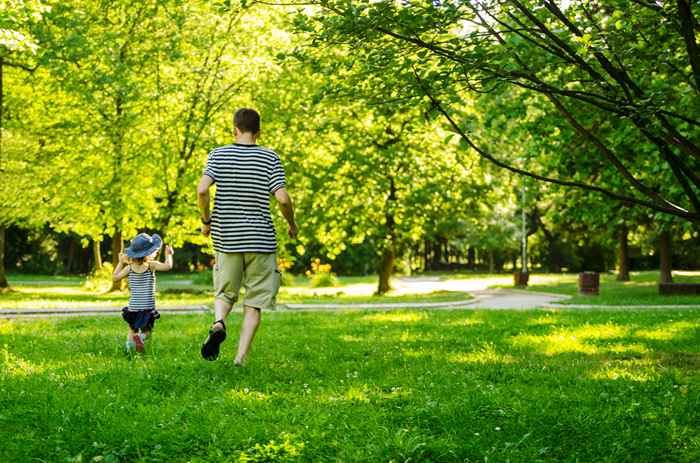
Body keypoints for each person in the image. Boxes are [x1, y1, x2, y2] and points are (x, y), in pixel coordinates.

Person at [197, 107, 297, 365]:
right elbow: (283, 199)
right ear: (259, 132)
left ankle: (219, 322)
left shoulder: (218, 155)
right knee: (254, 302)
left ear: (235, 129)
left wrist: (206, 221)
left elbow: (202, 190)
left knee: (224, 293)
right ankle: (240, 359)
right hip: (261, 241)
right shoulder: (269, 158)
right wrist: (292, 224)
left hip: (227, 238)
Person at [112, 233, 174, 353]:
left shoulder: (129, 268)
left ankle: (129, 350)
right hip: (147, 308)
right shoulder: (151, 266)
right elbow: (168, 266)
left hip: (133, 307)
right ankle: (140, 339)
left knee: (132, 330)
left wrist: (120, 262)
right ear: (149, 253)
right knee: (147, 332)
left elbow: (115, 278)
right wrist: (168, 254)